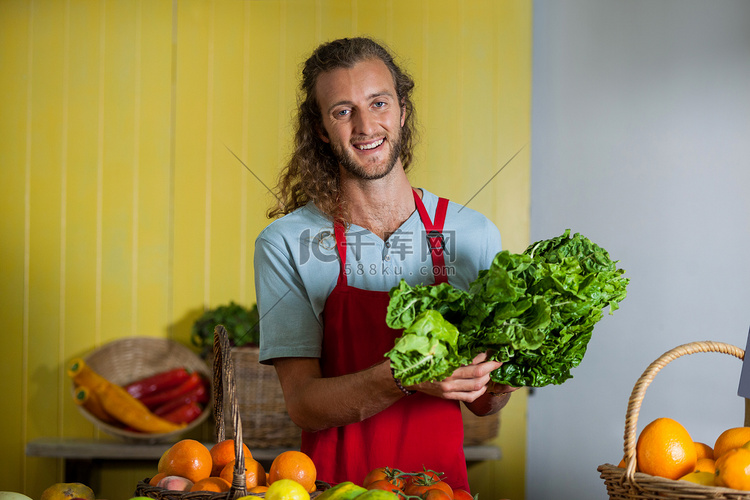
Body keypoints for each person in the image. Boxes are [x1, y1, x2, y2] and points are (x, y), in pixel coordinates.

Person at [254, 37, 517, 491]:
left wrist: (505, 374)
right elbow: (303, 404)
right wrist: (404, 376)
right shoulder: (285, 242)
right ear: (320, 128)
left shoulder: (474, 235)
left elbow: (485, 405)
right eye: (342, 110)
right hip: (333, 490)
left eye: (379, 102)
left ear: (402, 111)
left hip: (440, 490)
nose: (365, 125)